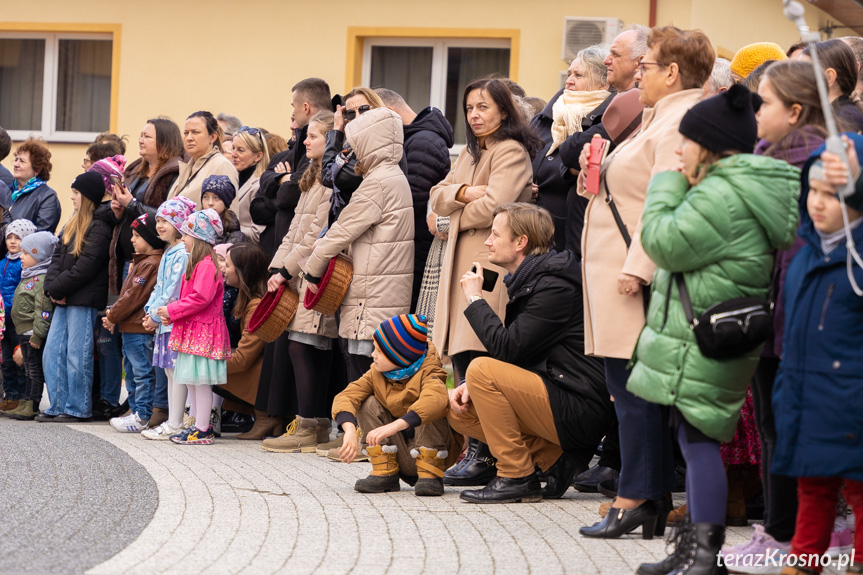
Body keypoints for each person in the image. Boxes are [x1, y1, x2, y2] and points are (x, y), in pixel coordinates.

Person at [626, 85, 800, 575]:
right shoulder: (732, 186)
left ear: (711, 146)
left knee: (700, 441)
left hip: (706, 334)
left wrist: (665, 183)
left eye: (687, 141)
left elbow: (664, 242)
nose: (679, 150)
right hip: (702, 331)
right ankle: (693, 552)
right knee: (693, 437)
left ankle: (704, 558)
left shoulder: (724, 193)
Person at [575, 26, 715, 540]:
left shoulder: (679, 122)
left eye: (648, 65)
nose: (639, 72)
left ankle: (634, 496)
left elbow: (666, 201)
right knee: (631, 391)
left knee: (635, 392)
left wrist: (638, 267)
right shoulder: (658, 119)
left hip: (636, 277)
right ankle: (648, 497)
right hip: (621, 273)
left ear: (673, 73)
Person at [723, 60, 831, 570]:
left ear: (794, 110)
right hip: (766, 307)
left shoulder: (817, 164)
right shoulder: (766, 156)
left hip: (796, 313)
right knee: (770, 422)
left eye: (762, 101)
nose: (752, 109)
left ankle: (792, 536)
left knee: (788, 426)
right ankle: (782, 530)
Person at [444, 203, 610, 505]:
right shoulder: (532, 280)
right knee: (459, 410)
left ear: (520, 242)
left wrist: (474, 299)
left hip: (579, 405)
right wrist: (474, 386)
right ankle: (551, 461)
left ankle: (515, 476)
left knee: (479, 369)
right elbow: (519, 353)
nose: (487, 241)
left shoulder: (554, 286)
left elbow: (507, 347)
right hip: (556, 393)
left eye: (495, 234)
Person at [429, 77, 541, 486]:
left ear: (504, 111)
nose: (475, 115)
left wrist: (451, 214)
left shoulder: (510, 150)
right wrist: (462, 192)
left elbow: (500, 208)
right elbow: (435, 194)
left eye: (484, 107)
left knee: (477, 350)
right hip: (463, 258)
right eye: (470, 108)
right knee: (461, 355)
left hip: (488, 263)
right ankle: (475, 448)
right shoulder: (473, 153)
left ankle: (484, 451)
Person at [769, 139, 863, 575]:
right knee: (812, 484)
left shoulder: (857, 258)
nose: (818, 202)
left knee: (859, 486)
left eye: (833, 193)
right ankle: (804, 560)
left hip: (851, 396)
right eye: (813, 190)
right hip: (806, 391)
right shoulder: (806, 254)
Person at [302, 107, 414, 384]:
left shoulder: (377, 183)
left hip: (371, 293)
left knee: (364, 373)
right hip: (382, 290)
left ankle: (362, 429)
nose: (350, 150)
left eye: (354, 143)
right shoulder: (393, 176)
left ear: (369, 141)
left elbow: (342, 230)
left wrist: (312, 270)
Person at [260, 111, 340, 450]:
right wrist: (278, 269)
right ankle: (313, 425)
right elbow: (294, 230)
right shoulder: (312, 176)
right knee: (302, 346)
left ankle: (311, 425)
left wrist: (285, 271)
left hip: (312, 273)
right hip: (296, 274)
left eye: (314, 136)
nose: (304, 141)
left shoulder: (330, 181)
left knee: (306, 346)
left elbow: (314, 237)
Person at [334, 314, 457, 496]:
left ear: (398, 356)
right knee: (367, 402)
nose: (372, 354)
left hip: (433, 454)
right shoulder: (376, 372)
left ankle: (430, 475)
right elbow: (347, 395)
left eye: (379, 351)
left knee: (431, 407)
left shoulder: (430, 371)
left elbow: (434, 400)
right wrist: (350, 430)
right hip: (401, 455)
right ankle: (385, 472)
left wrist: (393, 427)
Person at [558, 25, 649, 256]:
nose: (607, 60)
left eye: (615, 54)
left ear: (639, 62)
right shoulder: (612, 103)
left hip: (609, 242)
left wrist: (574, 158)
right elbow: (563, 158)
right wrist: (570, 168)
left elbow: (570, 150)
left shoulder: (637, 105)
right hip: (585, 239)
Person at [40, 172, 113, 422]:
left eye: (76, 193)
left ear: (88, 197)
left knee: (76, 354)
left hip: (83, 301)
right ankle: (58, 404)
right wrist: (51, 288)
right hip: (63, 297)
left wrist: (58, 289)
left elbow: (87, 266)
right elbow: (57, 258)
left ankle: (77, 407)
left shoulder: (100, 226)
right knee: (52, 352)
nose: (72, 196)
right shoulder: (71, 223)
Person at [376, 88, 455, 311]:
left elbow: (411, 198)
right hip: (409, 245)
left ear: (390, 112)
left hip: (415, 248)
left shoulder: (424, 141)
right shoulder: (412, 139)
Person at [156, 209, 230, 445]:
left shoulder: (207, 265)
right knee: (191, 378)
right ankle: (196, 424)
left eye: (186, 235)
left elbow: (200, 298)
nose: (183, 239)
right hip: (193, 329)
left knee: (200, 380)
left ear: (199, 238)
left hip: (203, 331)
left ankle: (202, 428)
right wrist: (173, 315)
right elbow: (193, 300)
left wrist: (172, 311)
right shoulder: (198, 263)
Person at [533, 44, 610, 253]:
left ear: (603, 83)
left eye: (578, 75)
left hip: (571, 235)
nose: (568, 81)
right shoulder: (547, 116)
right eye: (569, 74)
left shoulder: (608, 120)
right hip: (530, 228)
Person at [251, 77, 331, 258]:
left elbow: (288, 195)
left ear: (305, 107)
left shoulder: (320, 155)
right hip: (286, 249)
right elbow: (256, 208)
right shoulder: (291, 152)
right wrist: (282, 178)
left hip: (303, 255)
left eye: (294, 107)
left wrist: (281, 187)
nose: (306, 141)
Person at [140, 197, 196, 440]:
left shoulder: (181, 254)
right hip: (163, 320)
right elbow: (158, 288)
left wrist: (155, 314)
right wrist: (149, 311)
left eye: (166, 221)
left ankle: (176, 422)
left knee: (176, 372)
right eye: (159, 220)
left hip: (172, 321)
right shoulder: (169, 252)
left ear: (179, 224)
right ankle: (173, 421)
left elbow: (173, 290)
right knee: (170, 372)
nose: (160, 225)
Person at [104, 214, 165, 433]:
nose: (132, 239)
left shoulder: (150, 263)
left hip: (139, 329)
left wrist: (112, 316)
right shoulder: (141, 262)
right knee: (131, 372)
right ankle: (135, 410)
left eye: (138, 235)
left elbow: (133, 297)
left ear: (151, 238)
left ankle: (142, 415)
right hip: (130, 327)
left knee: (142, 372)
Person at [4, 232, 58, 420]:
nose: (21, 257)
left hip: (32, 334)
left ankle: (32, 404)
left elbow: (43, 311)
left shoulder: (41, 280)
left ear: (39, 255)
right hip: (24, 333)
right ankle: (25, 402)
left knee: (34, 370)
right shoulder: (28, 276)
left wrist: (37, 335)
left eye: (26, 254)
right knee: (27, 369)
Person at [323, 87, 391, 226]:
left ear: (376, 109)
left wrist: (336, 131)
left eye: (363, 109)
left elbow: (328, 176)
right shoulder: (351, 148)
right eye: (350, 113)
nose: (358, 116)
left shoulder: (382, 144)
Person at [217, 243, 268, 417]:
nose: (222, 268)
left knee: (200, 366)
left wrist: (207, 365)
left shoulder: (256, 306)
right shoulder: (246, 300)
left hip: (259, 376)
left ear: (243, 271)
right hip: (254, 371)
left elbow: (242, 360)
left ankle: (262, 417)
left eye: (228, 264)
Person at [0, 220, 36, 413]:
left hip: (18, 319)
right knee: (5, 359)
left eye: (18, 238)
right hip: (2, 319)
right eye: (9, 237)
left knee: (20, 358)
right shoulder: (1, 263)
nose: (12, 242)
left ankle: (23, 397)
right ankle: (10, 396)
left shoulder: (25, 265)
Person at [168, 111, 238, 209]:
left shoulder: (222, 165)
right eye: (186, 133)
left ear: (212, 137)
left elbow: (229, 215)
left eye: (195, 132)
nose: (189, 138)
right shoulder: (188, 166)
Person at [801, 39, 863, 132]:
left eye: (803, 70)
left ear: (829, 77)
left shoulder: (846, 119)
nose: (796, 76)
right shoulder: (823, 113)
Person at [9, 138, 61, 233]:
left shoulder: (48, 197)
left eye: (22, 161)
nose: (16, 164)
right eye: (16, 159)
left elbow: (41, 236)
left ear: (37, 169)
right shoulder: (8, 191)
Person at [231, 127, 269, 244]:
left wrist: (227, 229)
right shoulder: (233, 179)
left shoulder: (260, 186)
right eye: (233, 148)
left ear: (258, 156)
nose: (233, 154)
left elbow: (258, 234)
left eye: (240, 150)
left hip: (244, 255)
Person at [201, 175, 246, 245]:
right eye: (206, 197)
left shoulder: (235, 235)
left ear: (225, 202)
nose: (210, 203)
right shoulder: (195, 224)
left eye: (216, 198)